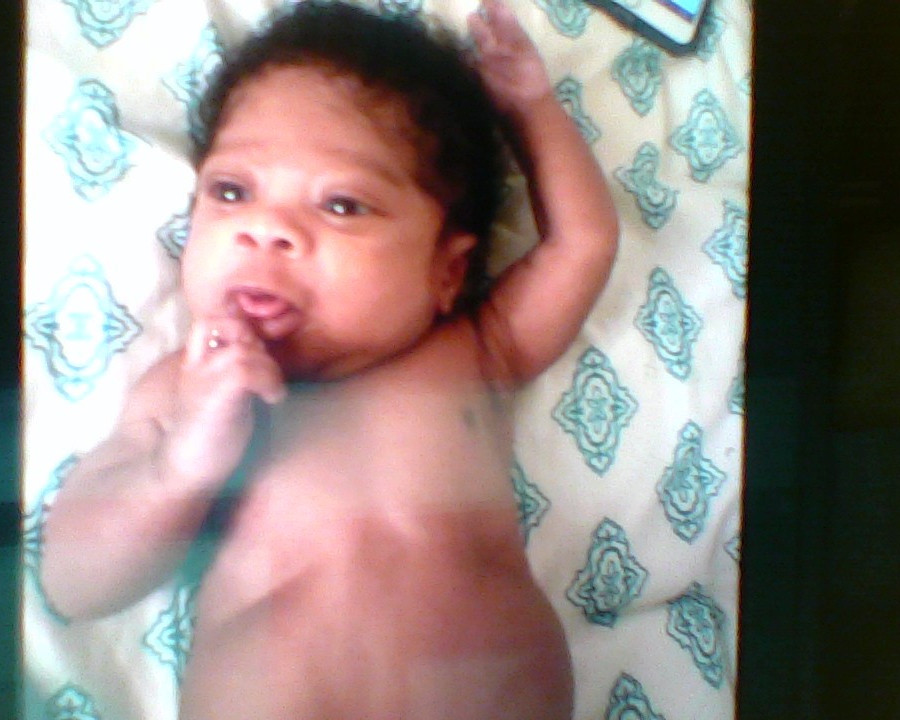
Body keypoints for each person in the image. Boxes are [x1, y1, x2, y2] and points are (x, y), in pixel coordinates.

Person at [41, 0, 617, 717]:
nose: (266, 228)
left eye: (342, 204)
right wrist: (182, 466)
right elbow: (75, 583)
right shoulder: (190, 388)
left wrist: (531, 109)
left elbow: (582, 244)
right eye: (232, 190)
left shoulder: (478, 351)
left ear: (446, 270)